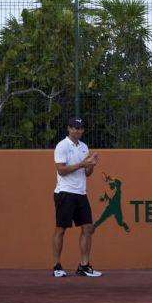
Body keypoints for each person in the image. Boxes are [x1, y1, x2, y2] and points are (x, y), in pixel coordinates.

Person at [52, 117, 102, 277]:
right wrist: (82, 164)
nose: (78, 131)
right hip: (65, 193)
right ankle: (57, 266)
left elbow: (86, 173)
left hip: (81, 194)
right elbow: (61, 170)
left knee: (88, 228)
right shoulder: (62, 146)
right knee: (61, 229)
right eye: (75, 128)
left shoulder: (84, 147)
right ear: (69, 129)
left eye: (80, 128)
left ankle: (84, 266)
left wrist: (91, 165)